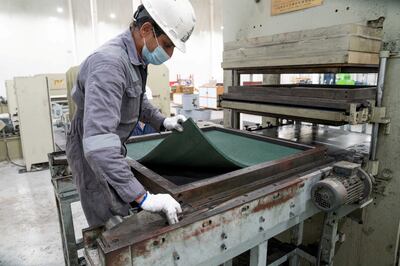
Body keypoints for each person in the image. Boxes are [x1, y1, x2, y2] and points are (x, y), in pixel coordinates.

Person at [66, 0, 196, 226]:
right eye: (166, 45)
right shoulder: (109, 64)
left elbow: (136, 100)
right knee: (109, 222)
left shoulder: (135, 57)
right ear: (146, 30)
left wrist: (163, 121)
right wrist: (145, 198)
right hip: (92, 150)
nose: (169, 54)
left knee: (120, 205)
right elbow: (98, 145)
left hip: (109, 143)